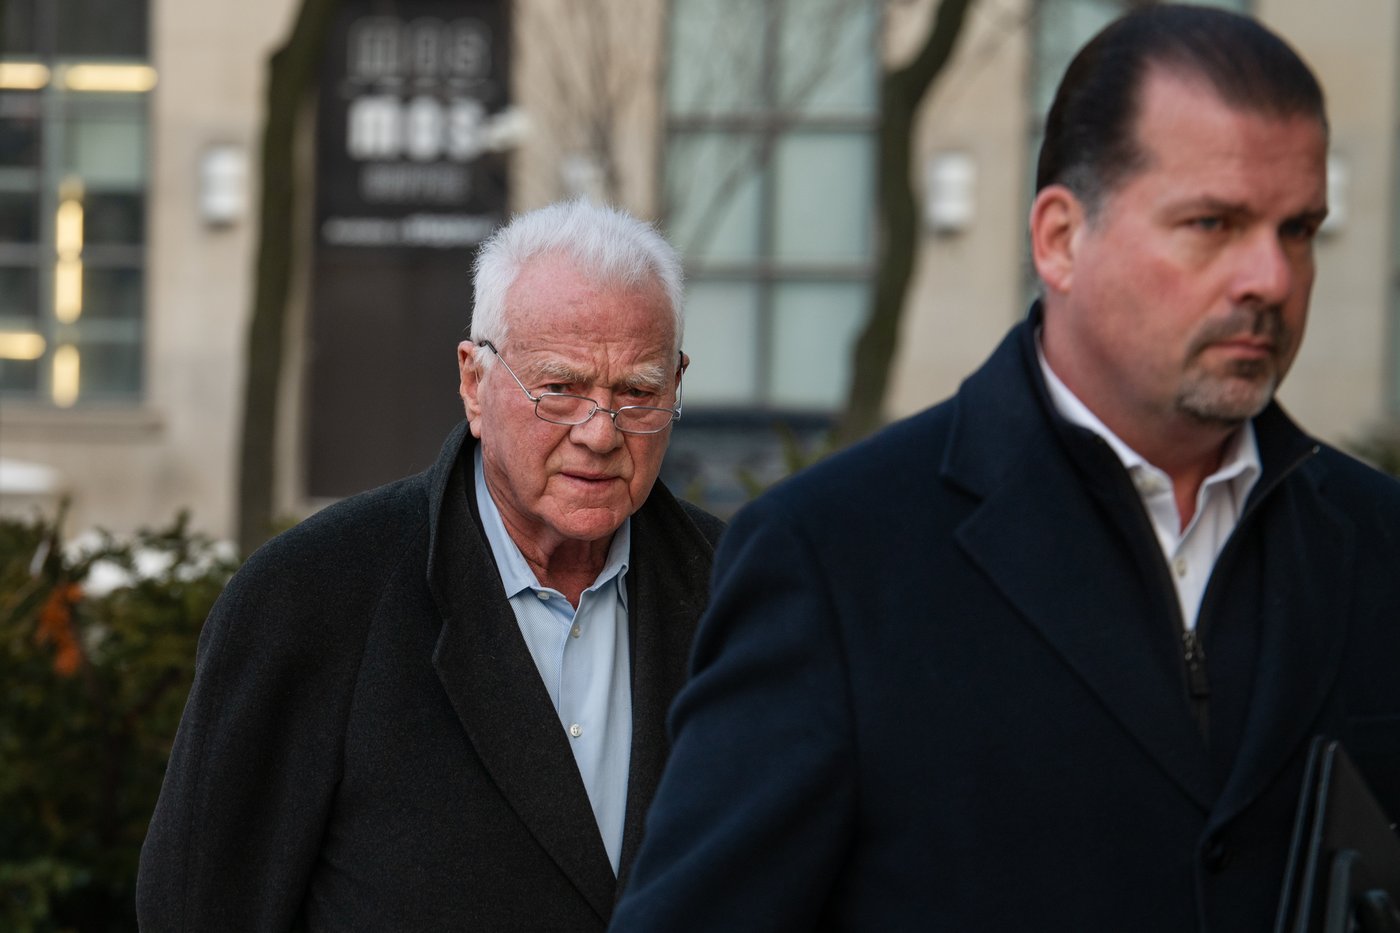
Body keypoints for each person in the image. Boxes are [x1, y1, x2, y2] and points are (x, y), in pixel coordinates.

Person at [609, 7, 1400, 932]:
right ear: (1060, 237)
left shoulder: (1381, 546)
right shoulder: (833, 560)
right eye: (1213, 223)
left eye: (1298, 229)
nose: (1270, 277)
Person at [137, 199, 723, 930]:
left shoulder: (740, 595)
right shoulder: (312, 596)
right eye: (560, 389)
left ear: (676, 384)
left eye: (636, 392)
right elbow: (198, 909)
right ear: (474, 382)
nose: (600, 433)